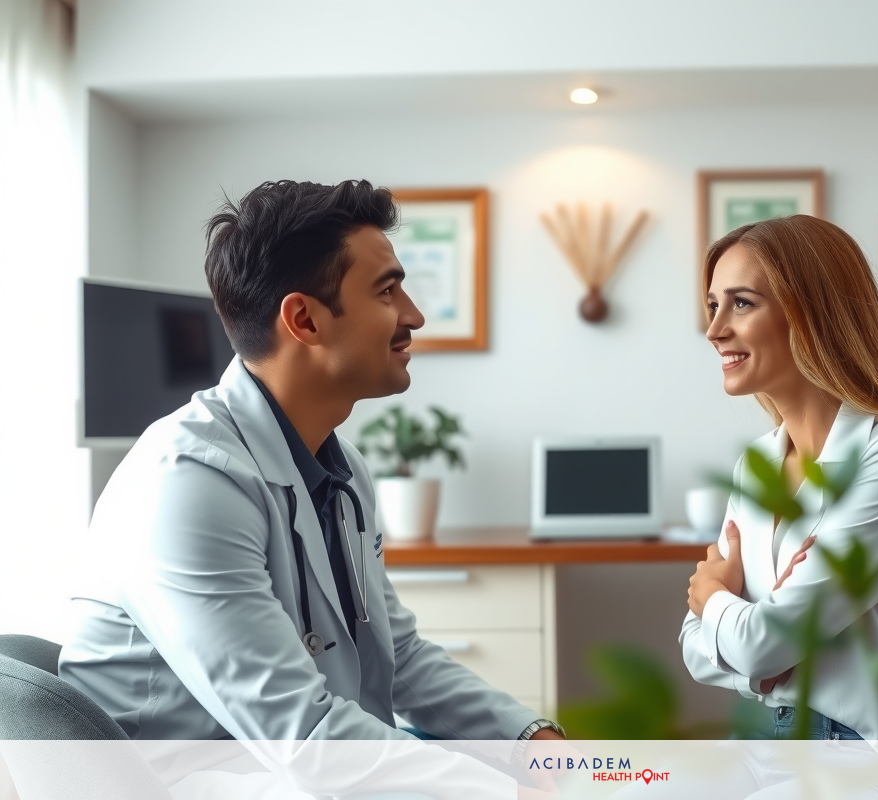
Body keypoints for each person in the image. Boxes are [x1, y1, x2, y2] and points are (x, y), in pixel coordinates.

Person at [59, 180, 562, 799]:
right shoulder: (186, 481)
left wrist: (535, 745)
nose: (414, 315)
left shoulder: (339, 467)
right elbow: (300, 734)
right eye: (387, 290)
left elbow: (395, 654)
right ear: (304, 319)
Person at [679, 215, 878, 741]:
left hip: (865, 754)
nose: (714, 329)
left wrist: (717, 602)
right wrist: (762, 649)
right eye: (713, 305)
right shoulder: (757, 466)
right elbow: (692, 648)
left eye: (742, 303)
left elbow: (754, 639)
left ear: (811, 313)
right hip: (761, 739)